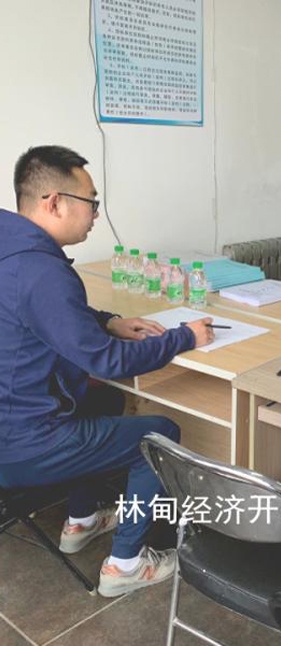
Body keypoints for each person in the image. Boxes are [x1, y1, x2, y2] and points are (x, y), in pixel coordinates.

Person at [0, 146, 214, 597]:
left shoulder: (12, 249)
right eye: (91, 201)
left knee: (106, 400)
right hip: (22, 443)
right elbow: (107, 361)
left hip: (12, 419)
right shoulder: (43, 271)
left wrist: (107, 321)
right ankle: (125, 565)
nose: (96, 213)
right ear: (54, 203)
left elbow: (45, 314)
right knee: (157, 436)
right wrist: (184, 338)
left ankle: (80, 520)